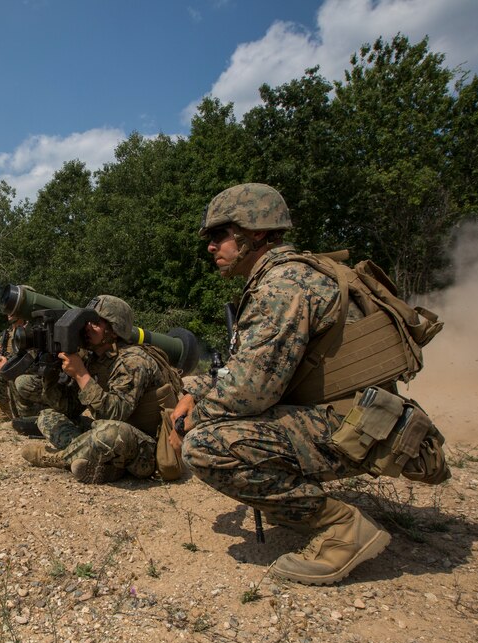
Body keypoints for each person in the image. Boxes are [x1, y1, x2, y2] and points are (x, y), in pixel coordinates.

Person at [170, 182, 427, 586]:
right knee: (212, 421)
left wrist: (193, 416)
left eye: (219, 234)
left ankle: (342, 529)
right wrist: (194, 389)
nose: (210, 246)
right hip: (359, 417)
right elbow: (246, 370)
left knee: (205, 445)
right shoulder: (293, 275)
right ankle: (296, 502)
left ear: (253, 232)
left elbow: (249, 392)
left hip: (360, 426)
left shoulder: (282, 286)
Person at [21, 295, 181, 484]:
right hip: (111, 435)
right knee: (48, 417)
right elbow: (69, 408)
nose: (87, 327)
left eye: (95, 323)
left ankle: (60, 458)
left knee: (110, 432)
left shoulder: (133, 361)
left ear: (114, 331)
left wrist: (81, 374)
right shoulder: (94, 358)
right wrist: (52, 372)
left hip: (146, 449)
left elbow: (115, 414)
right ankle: (105, 466)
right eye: (86, 321)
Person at [0, 314, 44, 424]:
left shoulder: (30, 331)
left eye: (12, 310)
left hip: (28, 367)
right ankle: (6, 412)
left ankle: (23, 414)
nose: (9, 314)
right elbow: (3, 353)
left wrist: (6, 365)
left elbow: (32, 356)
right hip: (9, 365)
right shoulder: (7, 334)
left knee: (14, 374)